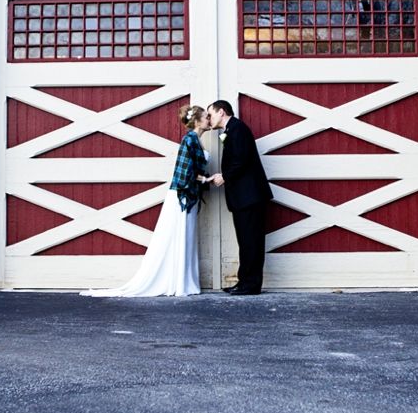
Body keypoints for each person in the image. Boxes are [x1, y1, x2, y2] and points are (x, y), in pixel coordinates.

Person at [80, 104, 211, 297]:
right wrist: (205, 179)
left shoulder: (197, 141)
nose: (209, 119)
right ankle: (177, 282)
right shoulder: (189, 140)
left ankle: (184, 281)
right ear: (198, 120)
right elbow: (185, 174)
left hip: (189, 197)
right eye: (206, 116)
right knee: (178, 236)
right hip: (181, 197)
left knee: (186, 238)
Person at [207, 99, 273, 295]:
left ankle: (250, 285)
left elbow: (241, 159)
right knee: (245, 242)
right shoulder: (231, 130)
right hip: (243, 198)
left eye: (210, 114)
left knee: (251, 242)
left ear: (221, 112)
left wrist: (224, 176)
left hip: (250, 197)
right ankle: (244, 281)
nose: (209, 119)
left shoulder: (238, 129)